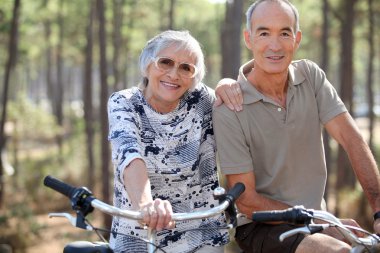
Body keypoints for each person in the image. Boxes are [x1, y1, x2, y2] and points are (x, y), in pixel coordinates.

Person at [212, 1, 380, 253]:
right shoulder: (229, 107)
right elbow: (247, 201)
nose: (275, 45)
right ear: (248, 38)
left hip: (315, 218)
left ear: (297, 39)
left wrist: (377, 208)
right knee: (339, 252)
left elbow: (351, 139)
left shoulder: (311, 77)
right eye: (264, 33)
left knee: (362, 246)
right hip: (260, 225)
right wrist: (317, 220)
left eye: (284, 33)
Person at [107, 30, 241, 253]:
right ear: (147, 65)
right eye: (165, 62)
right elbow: (130, 156)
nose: (174, 74)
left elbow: (239, 116)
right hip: (140, 236)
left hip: (201, 233)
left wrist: (227, 84)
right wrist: (147, 206)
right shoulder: (125, 102)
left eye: (186, 68)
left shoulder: (203, 101)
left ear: (194, 77)